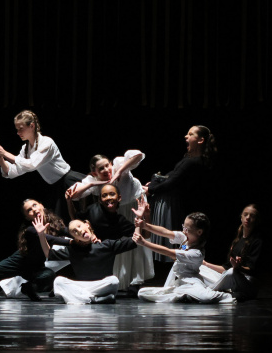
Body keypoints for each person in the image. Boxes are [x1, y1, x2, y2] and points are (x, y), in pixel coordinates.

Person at [66, 156, 155, 292]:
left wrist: (145, 216)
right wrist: (70, 200)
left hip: (107, 250)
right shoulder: (93, 209)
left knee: (113, 277)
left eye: (111, 194)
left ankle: (130, 281)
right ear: (100, 199)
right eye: (104, 196)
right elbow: (74, 217)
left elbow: (144, 236)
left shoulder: (120, 220)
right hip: (93, 252)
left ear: (119, 198)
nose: (108, 198)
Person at [133, 200, 234, 304]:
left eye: (187, 229)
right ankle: (183, 296)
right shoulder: (185, 238)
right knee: (142, 293)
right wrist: (145, 225)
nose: (183, 231)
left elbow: (169, 252)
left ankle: (224, 295)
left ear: (199, 232)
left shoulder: (197, 253)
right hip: (179, 282)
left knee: (206, 297)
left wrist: (144, 243)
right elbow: (166, 232)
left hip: (191, 283)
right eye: (183, 227)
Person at [0, 110, 85, 218]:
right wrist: (1, 159)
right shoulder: (26, 148)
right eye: (17, 129)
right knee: (62, 220)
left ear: (32, 126)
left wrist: (5, 153)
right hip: (55, 187)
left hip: (69, 181)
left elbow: (32, 164)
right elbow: (16, 170)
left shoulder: (47, 142)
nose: (18, 133)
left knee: (80, 217)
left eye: (21, 129)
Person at [144, 125, 216, 259]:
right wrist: (155, 183)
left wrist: (151, 189)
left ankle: (178, 258)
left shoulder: (193, 162)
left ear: (200, 140)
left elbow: (172, 181)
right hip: (183, 206)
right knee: (182, 238)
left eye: (191, 134)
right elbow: (171, 176)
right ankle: (179, 257)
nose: (186, 136)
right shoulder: (190, 160)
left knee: (184, 238)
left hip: (182, 206)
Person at [36, 216, 137, 305]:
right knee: (58, 282)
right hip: (82, 286)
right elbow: (49, 253)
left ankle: (81, 298)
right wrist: (41, 235)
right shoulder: (73, 250)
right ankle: (93, 299)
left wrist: (139, 223)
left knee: (114, 281)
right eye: (75, 231)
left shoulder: (106, 245)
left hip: (101, 286)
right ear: (75, 238)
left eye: (79, 226)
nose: (79, 231)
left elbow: (134, 240)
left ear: (87, 225)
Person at [199, 204, 263, 301]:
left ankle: (207, 292)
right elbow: (226, 267)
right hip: (233, 277)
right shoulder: (237, 241)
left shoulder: (257, 241)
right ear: (241, 217)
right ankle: (220, 291)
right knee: (201, 268)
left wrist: (238, 267)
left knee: (231, 272)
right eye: (245, 214)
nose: (248, 218)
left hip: (248, 284)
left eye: (252, 216)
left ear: (256, 220)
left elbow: (252, 270)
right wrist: (206, 264)